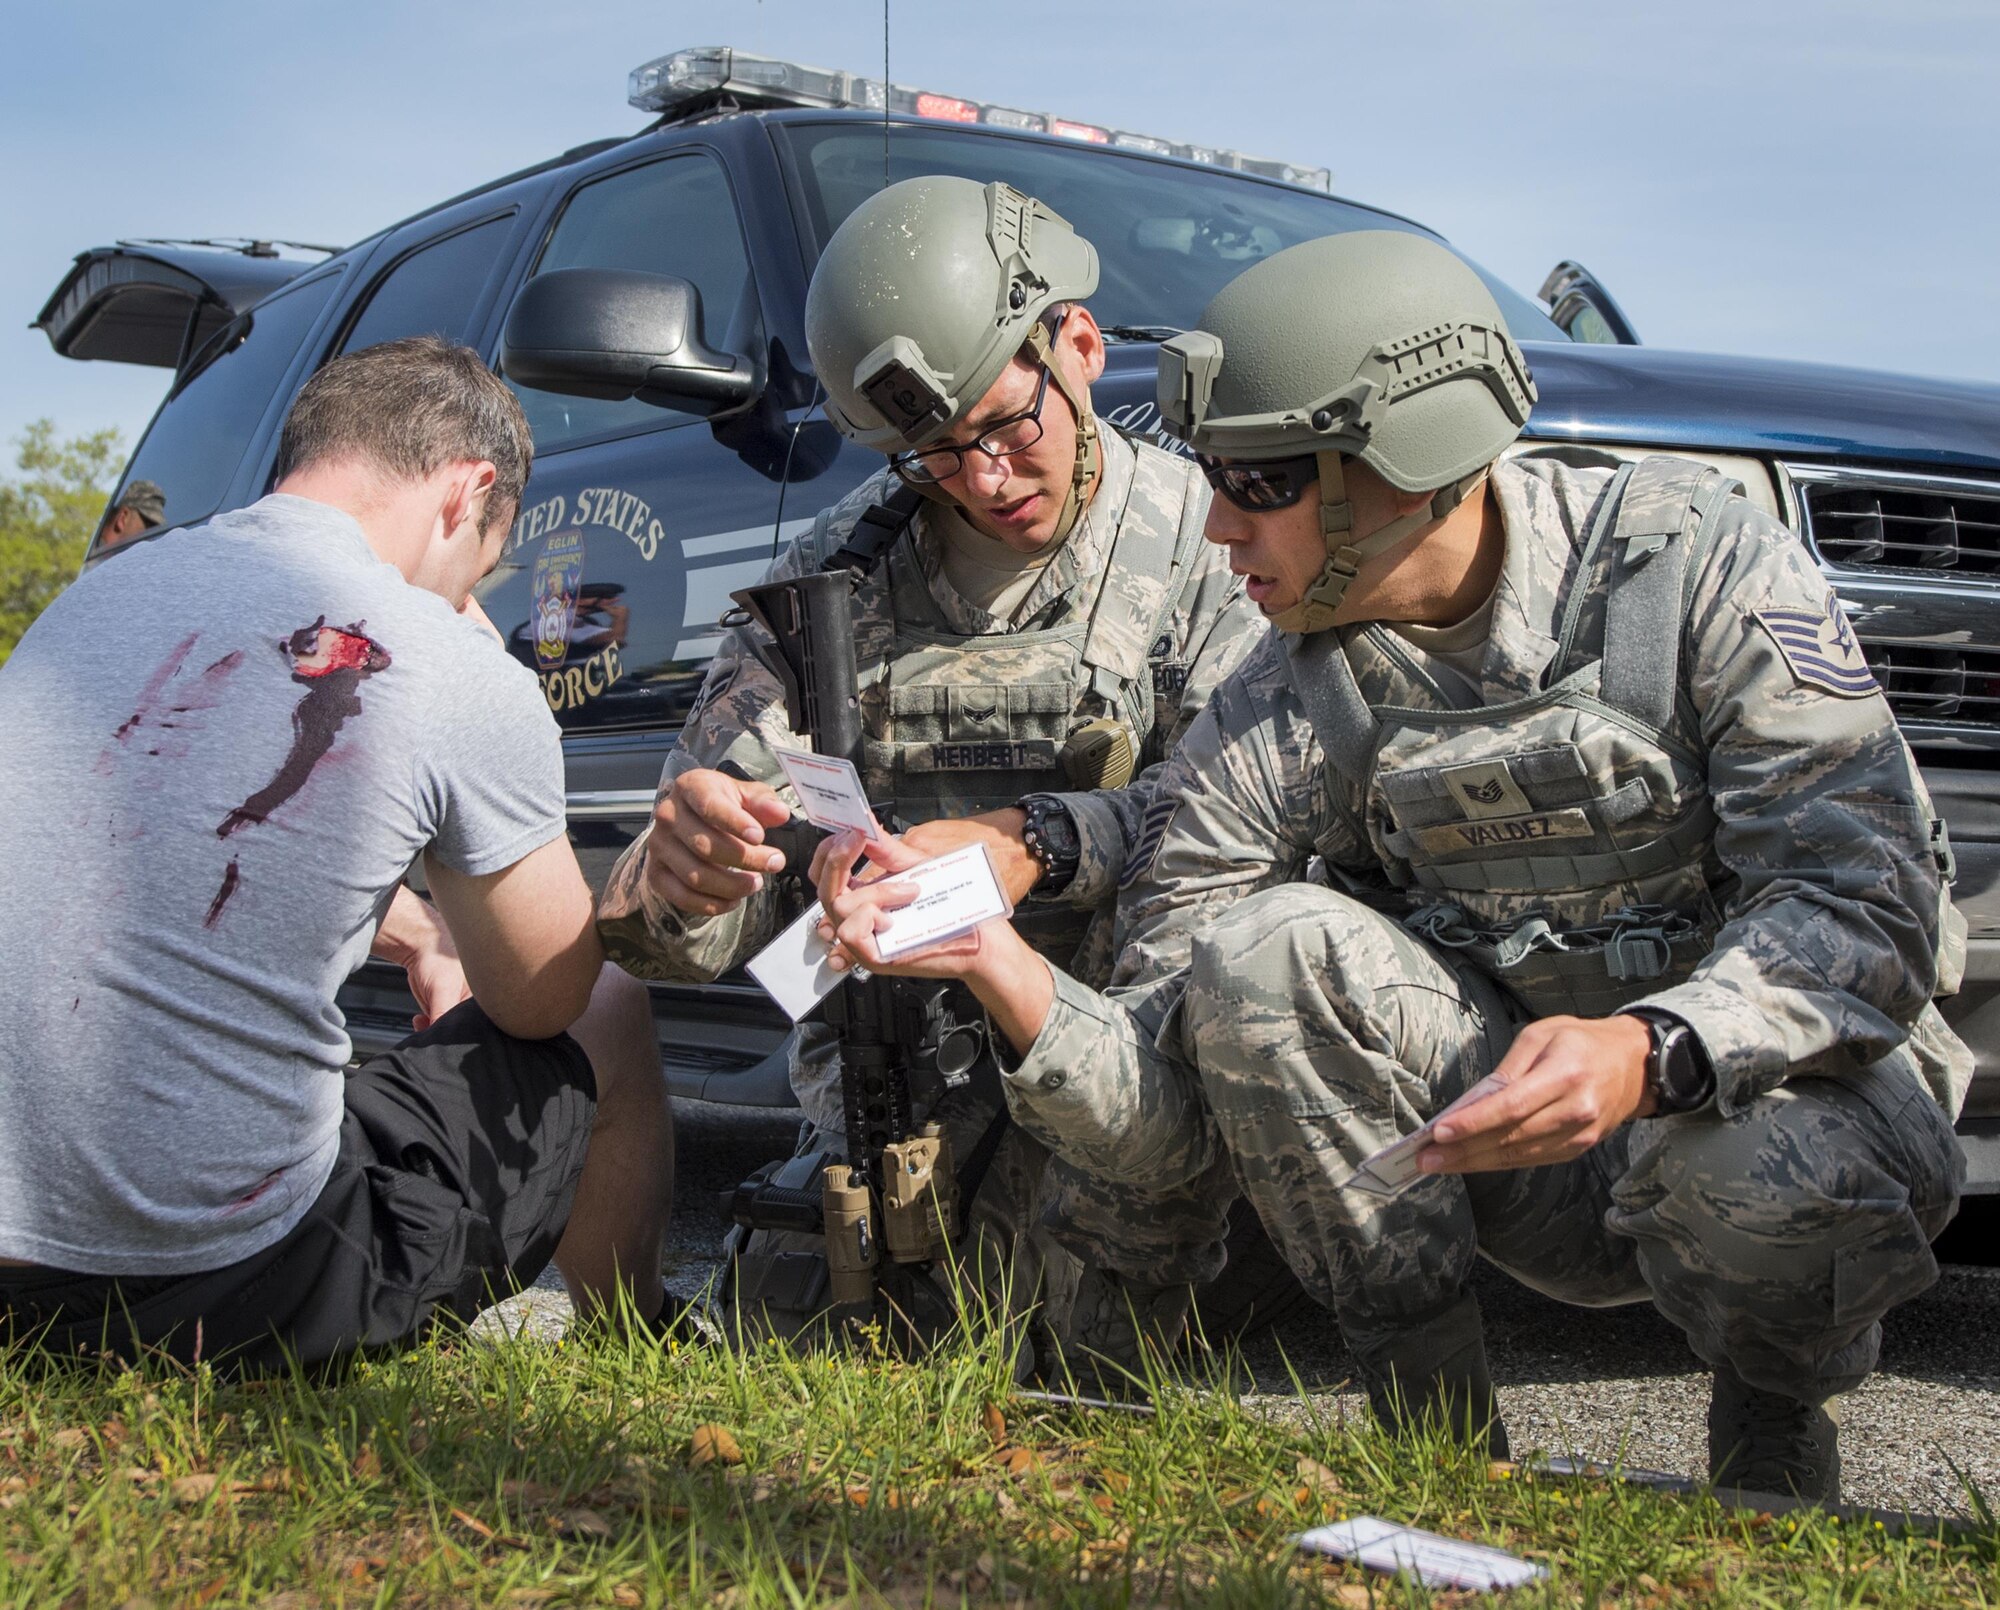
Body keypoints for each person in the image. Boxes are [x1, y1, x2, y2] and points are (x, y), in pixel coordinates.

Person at [812, 231, 1968, 1499]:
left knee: (1738, 1176)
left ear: (1402, 466)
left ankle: (1769, 1416)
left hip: (1771, 1113)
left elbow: (1866, 907)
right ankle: (1436, 1453)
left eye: (1256, 481)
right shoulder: (1285, 698)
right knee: (1260, 954)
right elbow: (1159, 1117)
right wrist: (992, 959)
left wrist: (1651, 1048)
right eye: (1207, 478)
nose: (1214, 527)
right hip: (1519, 1145)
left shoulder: (1686, 573)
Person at [596, 176, 1264, 1341]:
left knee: (1081, 1358)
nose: (984, 481)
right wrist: (681, 868)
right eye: (933, 455)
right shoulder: (829, 587)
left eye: (1008, 425)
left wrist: (1033, 844)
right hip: (889, 1118)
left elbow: (1247, 822)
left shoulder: (1213, 547)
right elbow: (673, 932)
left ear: (1082, 345)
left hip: (1128, 1099)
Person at [0, 337, 672, 1374]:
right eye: (483, 564)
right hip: (208, 1278)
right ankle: (633, 1339)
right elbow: (544, 998)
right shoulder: (442, 651)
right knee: (610, 1008)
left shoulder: (95, 598)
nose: (468, 592)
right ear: (469, 491)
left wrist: (420, 929)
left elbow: (184, 841)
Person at [96, 478, 167, 549]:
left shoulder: (97, 551)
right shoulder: (97, 556)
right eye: (148, 527)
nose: (151, 538)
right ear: (123, 518)